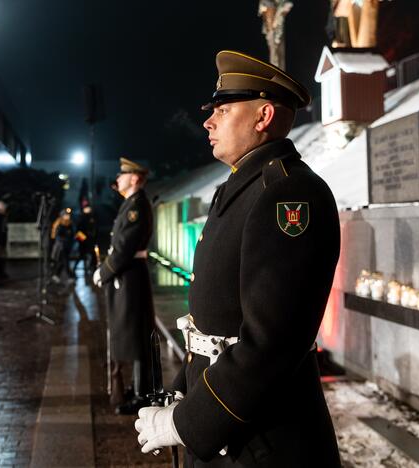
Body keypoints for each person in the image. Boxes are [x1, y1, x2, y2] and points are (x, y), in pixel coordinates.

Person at [134, 50, 342, 467]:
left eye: (223, 110)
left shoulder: (287, 194)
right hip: (230, 421)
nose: (208, 121)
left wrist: (189, 422)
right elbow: (216, 320)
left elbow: (272, 341)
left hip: (261, 441)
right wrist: (185, 388)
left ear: (263, 116)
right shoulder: (243, 189)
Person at [93, 157, 155, 414]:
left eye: (122, 175)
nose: (117, 179)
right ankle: (138, 387)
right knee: (131, 334)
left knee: (137, 335)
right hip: (127, 275)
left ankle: (143, 393)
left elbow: (124, 247)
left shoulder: (136, 206)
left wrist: (104, 271)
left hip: (130, 275)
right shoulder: (130, 204)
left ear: (135, 178)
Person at [73, 202, 97, 277]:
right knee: (81, 256)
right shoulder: (81, 218)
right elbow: (78, 231)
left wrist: (93, 237)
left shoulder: (92, 217)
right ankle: (75, 269)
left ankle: (93, 269)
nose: (88, 210)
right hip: (83, 241)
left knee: (93, 256)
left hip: (90, 240)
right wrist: (84, 239)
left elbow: (95, 228)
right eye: (87, 208)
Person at [50, 208, 74, 283]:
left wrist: (83, 239)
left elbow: (74, 234)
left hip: (67, 246)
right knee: (64, 261)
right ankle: (71, 276)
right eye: (66, 215)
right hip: (61, 247)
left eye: (68, 215)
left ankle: (56, 275)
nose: (68, 217)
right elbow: (55, 236)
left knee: (62, 262)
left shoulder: (70, 223)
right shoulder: (58, 224)